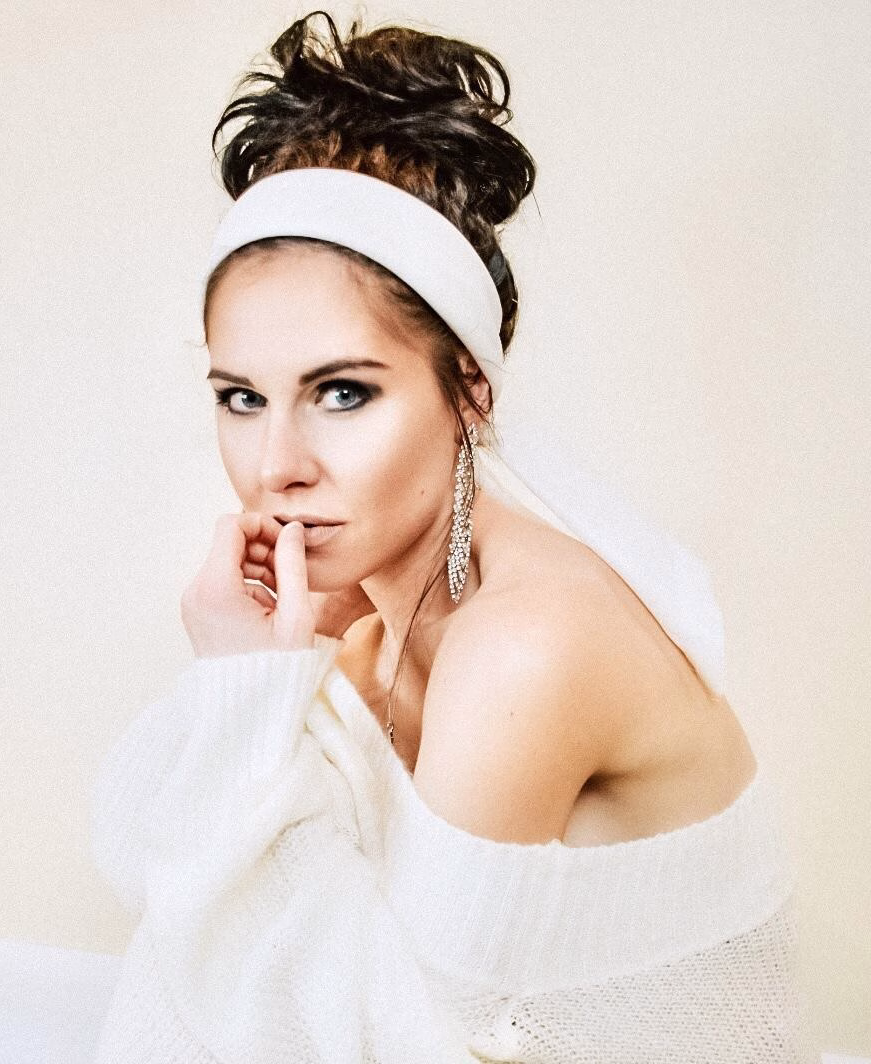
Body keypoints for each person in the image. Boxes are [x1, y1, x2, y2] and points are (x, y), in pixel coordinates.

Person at [90, 11, 809, 1062]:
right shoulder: (357, 623)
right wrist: (250, 677)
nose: (276, 463)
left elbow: (397, 1045)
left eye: (342, 392)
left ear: (468, 390)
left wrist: (248, 698)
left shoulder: (526, 643)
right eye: (242, 397)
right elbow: (157, 882)